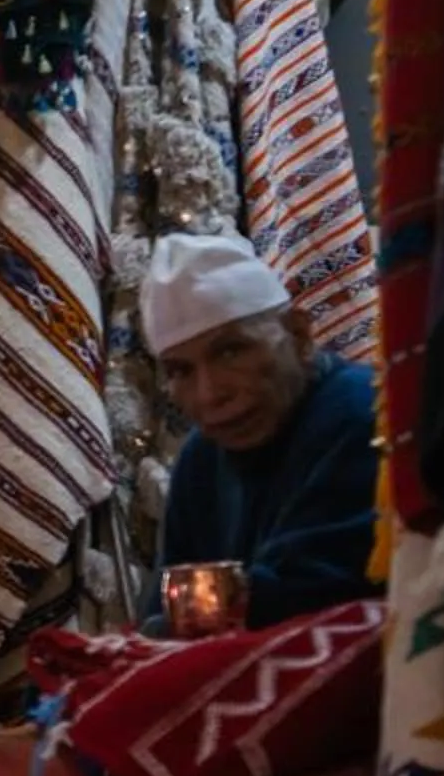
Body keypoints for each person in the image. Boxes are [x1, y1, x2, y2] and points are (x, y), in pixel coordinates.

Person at [144, 231, 382, 631]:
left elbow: (301, 602)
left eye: (231, 352)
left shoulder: (363, 412)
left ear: (300, 336)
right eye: (181, 371)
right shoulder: (201, 459)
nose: (210, 394)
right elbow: (164, 614)